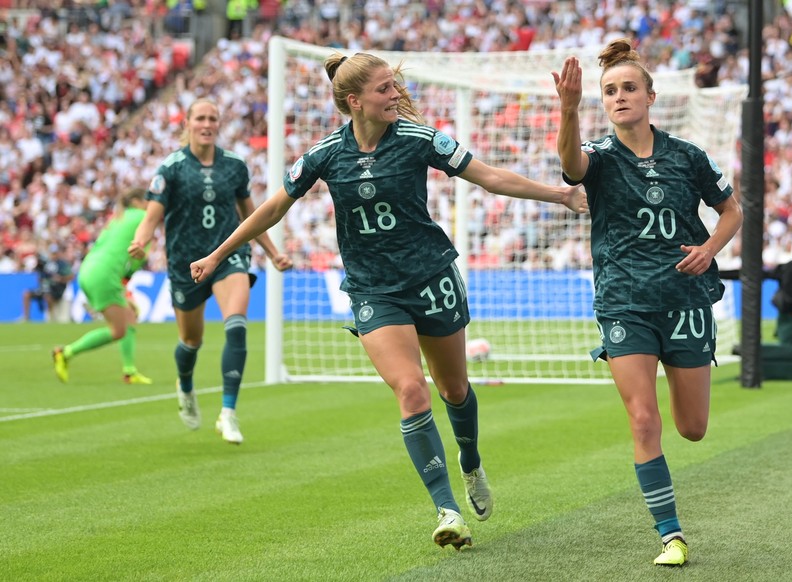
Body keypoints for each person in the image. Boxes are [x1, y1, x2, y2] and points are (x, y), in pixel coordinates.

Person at [190, 52, 587, 549]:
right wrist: (218, 252)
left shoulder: (421, 141)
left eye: (393, 86)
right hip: (373, 290)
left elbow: (489, 176)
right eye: (383, 89)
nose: (394, 94)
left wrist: (560, 195)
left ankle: (470, 462)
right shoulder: (324, 154)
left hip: (431, 278)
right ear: (354, 101)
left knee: (456, 389)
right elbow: (272, 207)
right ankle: (447, 510)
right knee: (411, 390)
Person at [552, 39, 743, 567]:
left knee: (693, 428)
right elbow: (569, 165)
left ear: (651, 96)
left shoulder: (687, 156)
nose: (619, 97)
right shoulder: (600, 158)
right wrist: (568, 109)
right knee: (643, 421)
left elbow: (732, 212)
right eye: (610, 91)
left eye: (629, 88)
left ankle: (671, 525)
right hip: (623, 304)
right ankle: (671, 535)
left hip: (685, 301)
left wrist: (709, 249)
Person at [128, 98, 292, 445]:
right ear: (187, 123)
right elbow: (152, 216)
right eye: (200, 118)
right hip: (184, 264)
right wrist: (140, 241)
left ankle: (228, 413)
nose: (207, 124)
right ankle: (185, 385)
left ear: (219, 124)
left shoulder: (234, 165)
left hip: (228, 257)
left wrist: (274, 253)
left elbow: (251, 216)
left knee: (236, 325)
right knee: (191, 340)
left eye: (212, 118)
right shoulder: (170, 168)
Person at [52, 187, 153, 385]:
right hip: (105, 275)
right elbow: (138, 257)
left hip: (90, 269)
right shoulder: (142, 217)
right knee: (118, 330)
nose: (151, 204)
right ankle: (65, 352)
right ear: (136, 202)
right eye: (147, 200)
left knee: (129, 317)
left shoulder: (118, 218)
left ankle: (129, 371)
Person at [22, 243, 74, 322]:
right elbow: (36, 271)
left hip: (57, 290)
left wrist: (61, 279)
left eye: (55, 253)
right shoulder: (45, 262)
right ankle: (26, 318)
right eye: (52, 253)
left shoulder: (62, 264)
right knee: (26, 294)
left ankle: (50, 318)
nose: (54, 255)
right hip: (44, 288)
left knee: (48, 296)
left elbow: (71, 276)